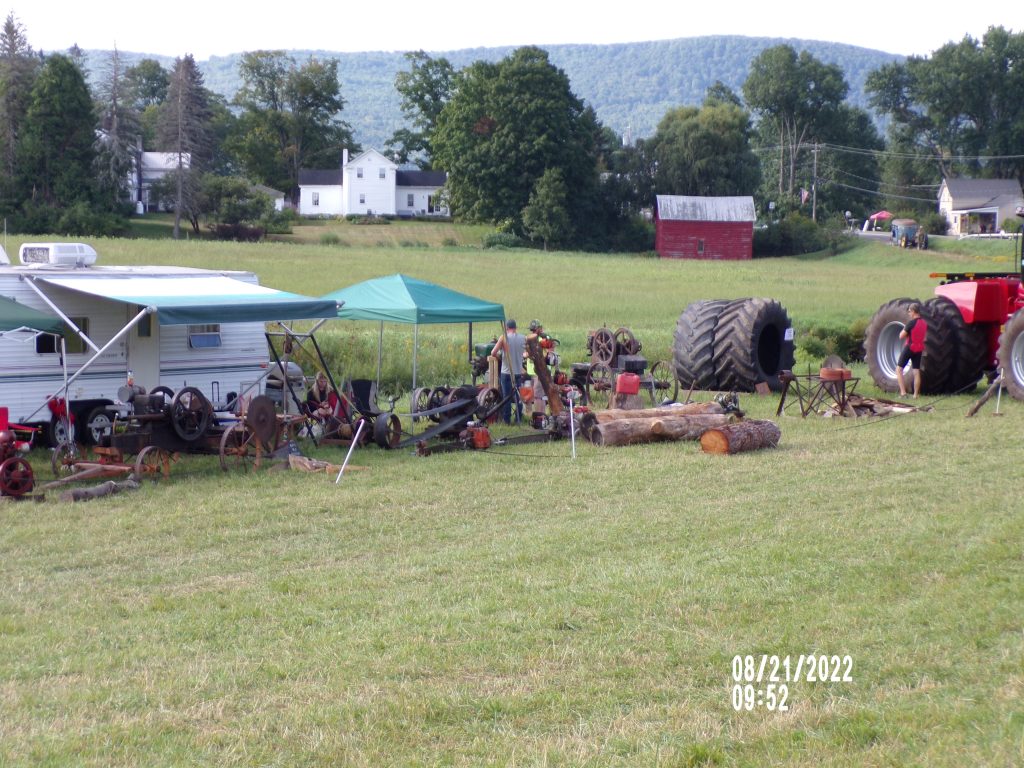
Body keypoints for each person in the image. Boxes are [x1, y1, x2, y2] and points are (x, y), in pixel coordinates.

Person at [491, 319, 527, 424]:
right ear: (515, 328)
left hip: (506, 373)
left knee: (506, 397)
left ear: (506, 328)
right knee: (518, 396)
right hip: (518, 372)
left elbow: (493, 352)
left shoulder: (503, 337)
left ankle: (506, 420)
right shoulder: (523, 338)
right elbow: (527, 353)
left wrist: (500, 357)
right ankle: (518, 418)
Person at [896, 303, 927, 398]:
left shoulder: (911, 323)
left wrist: (906, 329)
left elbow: (901, 336)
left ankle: (903, 393)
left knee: (899, 369)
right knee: (916, 371)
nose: (909, 313)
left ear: (913, 311)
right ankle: (915, 395)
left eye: (909, 311)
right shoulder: (924, 323)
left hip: (910, 347)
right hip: (919, 348)